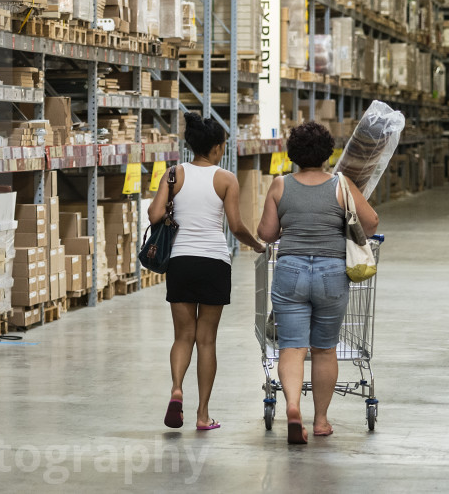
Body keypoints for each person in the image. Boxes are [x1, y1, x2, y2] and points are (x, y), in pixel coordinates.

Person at [257, 121, 378, 444]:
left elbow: (266, 234)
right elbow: (371, 222)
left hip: (290, 271)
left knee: (292, 347)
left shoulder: (280, 185)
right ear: (328, 153)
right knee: (324, 349)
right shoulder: (342, 184)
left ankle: (293, 407)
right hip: (332, 272)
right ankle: (321, 420)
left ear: (293, 154)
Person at [148, 113, 265, 431]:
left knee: (182, 336)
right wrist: (256, 245)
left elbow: (155, 214)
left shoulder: (173, 175)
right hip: (214, 262)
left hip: (181, 261)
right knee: (207, 341)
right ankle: (202, 415)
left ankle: (176, 390)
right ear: (215, 148)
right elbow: (237, 226)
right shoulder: (226, 179)